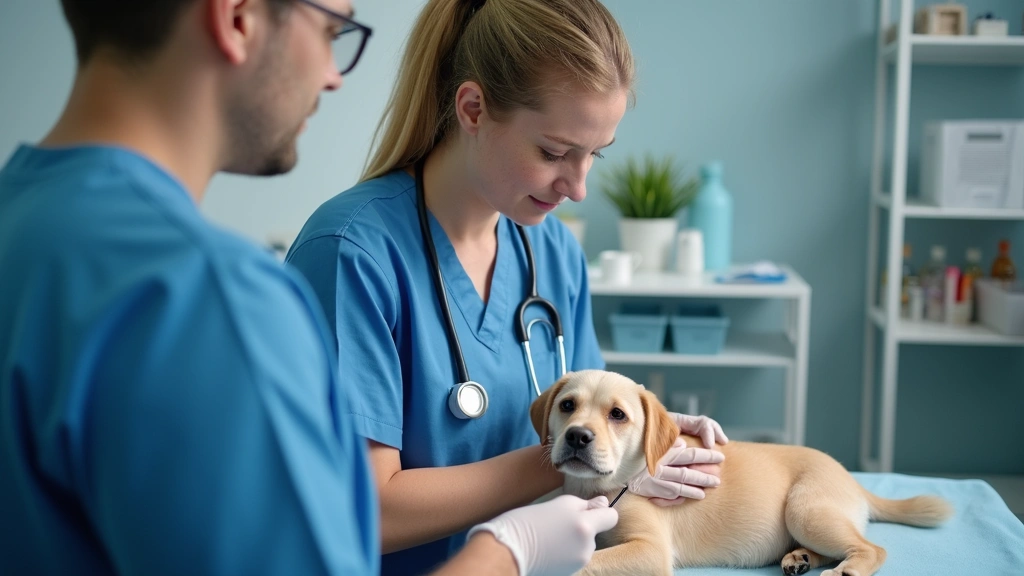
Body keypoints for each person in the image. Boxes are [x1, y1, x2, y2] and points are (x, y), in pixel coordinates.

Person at [0, 0, 616, 575]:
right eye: (331, 29)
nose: (333, 75)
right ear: (237, 16)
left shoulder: (24, 221)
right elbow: (352, 524)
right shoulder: (212, 295)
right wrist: (507, 553)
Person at [286, 0, 729, 573]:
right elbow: (361, 510)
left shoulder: (555, 252)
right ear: (472, 108)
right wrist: (577, 458)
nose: (578, 187)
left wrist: (643, 440)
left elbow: (593, 424)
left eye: (594, 155)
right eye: (554, 152)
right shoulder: (352, 253)